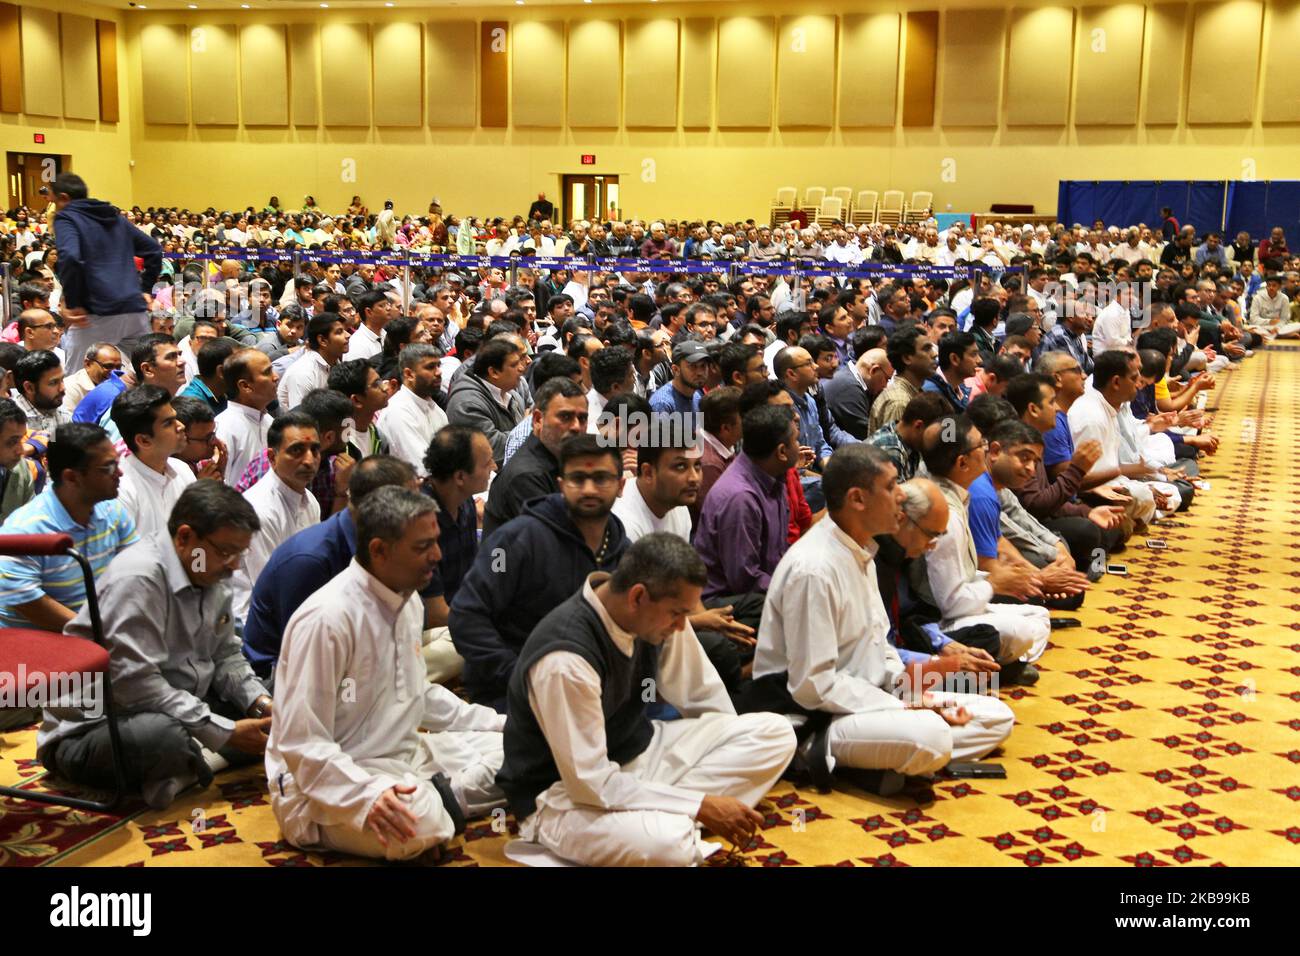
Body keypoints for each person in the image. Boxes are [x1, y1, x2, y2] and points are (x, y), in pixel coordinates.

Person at [497, 533, 797, 867]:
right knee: (668, 846)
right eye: (677, 613)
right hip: (561, 797)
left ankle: (661, 814)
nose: (684, 624)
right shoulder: (566, 659)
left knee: (776, 732)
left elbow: (703, 698)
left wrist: (726, 750)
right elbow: (589, 784)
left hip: (638, 755)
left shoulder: (654, 618)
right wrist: (701, 804)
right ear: (638, 596)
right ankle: (667, 820)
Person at [750, 446, 1014, 794]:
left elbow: (881, 642)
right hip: (816, 716)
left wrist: (909, 691)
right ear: (858, 499)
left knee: (995, 714)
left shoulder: (862, 549)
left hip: (870, 697)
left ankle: (885, 761)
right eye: (891, 487)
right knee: (932, 734)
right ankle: (819, 756)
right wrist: (901, 705)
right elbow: (812, 685)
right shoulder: (814, 568)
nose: (901, 495)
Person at [266, 486, 506, 862]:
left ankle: (438, 798)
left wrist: (499, 724)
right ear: (379, 550)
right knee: (417, 822)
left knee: (531, 747)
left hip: (407, 757)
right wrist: (367, 795)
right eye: (422, 547)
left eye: (436, 542)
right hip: (324, 786)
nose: (437, 556)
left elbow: (418, 694)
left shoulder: (406, 598)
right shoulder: (327, 619)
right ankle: (430, 804)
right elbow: (301, 744)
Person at [38, 480, 271, 810]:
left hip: (182, 702)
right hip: (99, 727)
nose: (234, 564)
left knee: (278, 695)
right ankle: (204, 754)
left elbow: (225, 654)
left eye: (239, 553)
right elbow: (136, 687)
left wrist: (260, 704)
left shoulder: (210, 572)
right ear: (185, 537)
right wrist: (224, 732)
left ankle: (197, 762)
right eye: (225, 552)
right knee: (161, 738)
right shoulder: (139, 577)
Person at [450, 433, 630, 712]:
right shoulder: (517, 540)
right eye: (578, 479)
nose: (590, 489)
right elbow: (466, 616)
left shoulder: (623, 549)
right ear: (561, 485)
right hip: (516, 692)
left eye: (601, 479)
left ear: (620, 485)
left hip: (591, 688)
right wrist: (519, 675)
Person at [242, 455, 416, 679]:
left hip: (346, 656)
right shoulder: (310, 560)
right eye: (411, 503)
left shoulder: (374, 542)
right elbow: (303, 655)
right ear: (381, 507)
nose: (418, 513)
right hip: (283, 675)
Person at [909, 414, 1050, 684]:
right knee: (1019, 631)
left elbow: (965, 576)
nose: (987, 449)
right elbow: (950, 605)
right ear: (963, 462)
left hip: (963, 603)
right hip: (939, 620)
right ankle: (987, 668)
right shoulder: (944, 514)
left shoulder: (957, 493)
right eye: (981, 446)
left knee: (1039, 615)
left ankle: (996, 665)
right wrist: (995, 584)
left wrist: (1010, 579)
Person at [0, 422, 138, 630]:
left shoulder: (112, 511)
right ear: (72, 477)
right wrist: (101, 632)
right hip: (42, 647)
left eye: (117, 463)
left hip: (100, 630)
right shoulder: (26, 531)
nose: (119, 473)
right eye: (108, 467)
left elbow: (134, 568)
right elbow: (27, 601)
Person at [50, 172, 162, 361]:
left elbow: (70, 257)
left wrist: (74, 302)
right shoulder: (115, 217)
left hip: (95, 311)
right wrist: (145, 288)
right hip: (133, 308)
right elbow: (154, 249)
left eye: (53, 202)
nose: (54, 208)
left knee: (77, 381)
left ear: (64, 198)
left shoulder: (66, 217)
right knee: (147, 372)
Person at [694, 404, 795, 609]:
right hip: (727, 602)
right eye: (796, 440)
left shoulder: (773, 476)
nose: (799, 444)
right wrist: (795, 588)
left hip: (758, 588)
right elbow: (745, 580)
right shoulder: (740, 499)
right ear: (782, 451)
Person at [419, 425, 495, 683]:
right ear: (461, 476)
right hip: (419, 628)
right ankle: (399, 685)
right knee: (469, 643)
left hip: (454, 617)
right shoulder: (420, 519)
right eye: (486, 464)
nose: (494, 466)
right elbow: (435, 614)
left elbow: (471, 579)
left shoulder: (466, 505)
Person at [231, 410, 322, 623]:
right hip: (254, 625)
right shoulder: (259, 510)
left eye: (314, 450)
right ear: (272, 457)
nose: (309, 460)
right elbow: (271, 590)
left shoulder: (309, 500)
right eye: (297, 450)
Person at [482, 377, 587, 538]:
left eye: (582, 418)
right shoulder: (526, 476)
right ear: (538, 420)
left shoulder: (561, 457)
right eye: (565, 417)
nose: (576, 426)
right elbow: (556, 543)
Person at [110, 384, 194, 538]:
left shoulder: (183, 470)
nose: (181, 426)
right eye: (169, 423)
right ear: (144, 441)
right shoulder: (121, 490)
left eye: (176, 418)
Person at [445, 338, 526, 466]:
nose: (522, 368)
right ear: (493, 372)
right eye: (514, 365)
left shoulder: (511, 392)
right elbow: (493, 448)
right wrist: (529, 428)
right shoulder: (467, 403)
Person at [379, 344, 449, 477]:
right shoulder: (398, 411)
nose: (439, 372)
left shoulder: (436, 409)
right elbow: (423, 469)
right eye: (430, 367)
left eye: (438, 365)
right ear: (409, 374)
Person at [214, 348, 278, 484]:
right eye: (267, 372)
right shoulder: (224, 428)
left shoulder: (269, 421)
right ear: (245, 386)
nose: (276, 377)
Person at [866, 392, 951, 483]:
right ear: (918, 426)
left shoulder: (910, 444)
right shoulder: (891, 451)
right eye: (936, 436)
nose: (937, 442)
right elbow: (897, 497)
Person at [868, 326, 936, 434]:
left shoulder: (914, 392)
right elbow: (894, 450)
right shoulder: (900, 403)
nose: (934, 354)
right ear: (907, 358)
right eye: (926, 349)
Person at [277, 312, 350, 411]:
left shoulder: (336, 362)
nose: (348, 335)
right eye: (339, 332)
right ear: (322, 341)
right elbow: (300, 420)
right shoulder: (303, 373)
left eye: (345, 330)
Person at [823, 347, 890, 441]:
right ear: (873, 370)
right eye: (887, 379)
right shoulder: (848, 388)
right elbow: (867, 436)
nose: (886, 386)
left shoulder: (854, 380)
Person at [11, 349, 68, 435]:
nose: (62, 388)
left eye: (62, 380)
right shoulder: (9, 421)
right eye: (53, 383)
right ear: (29, 388)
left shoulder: (61, 413)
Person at [648, 340, 708, 417]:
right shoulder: (662, 404)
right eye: (693, 366)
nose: (700, 372)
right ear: (676, 370)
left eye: (703, 366)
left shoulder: (697, 396)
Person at [0, 397, 37, 521]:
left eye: (21, 440)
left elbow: (30, 523)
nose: (20, 451)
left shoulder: (21, 468)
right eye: (12, 442)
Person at [61, 343, 121, 415]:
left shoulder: (119, 385)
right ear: (88, 364)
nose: (114, 372)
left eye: (118, 367)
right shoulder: (69, 387)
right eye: (108, 366)